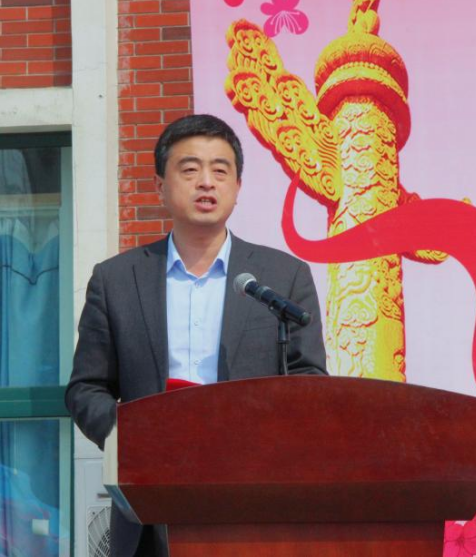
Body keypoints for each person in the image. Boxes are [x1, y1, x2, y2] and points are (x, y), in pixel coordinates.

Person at [65, 113, 328, 557]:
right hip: (150, 508)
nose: (206, 182)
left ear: (238, 187)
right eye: (190, 169)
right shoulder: (116, 280)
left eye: (220, 171)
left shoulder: (282, 276)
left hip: (254, 505)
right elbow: (86, 389)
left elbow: (310, 381)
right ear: (160, 186)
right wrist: (136, 437)